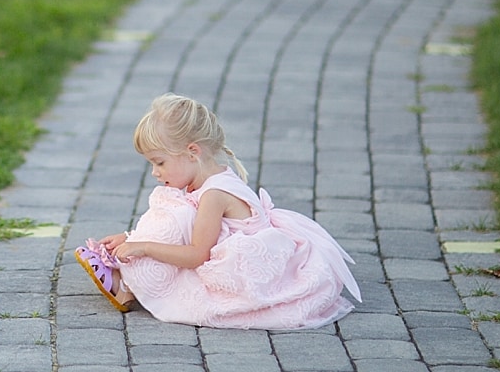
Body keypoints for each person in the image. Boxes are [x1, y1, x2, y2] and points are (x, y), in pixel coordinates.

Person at [75, 93, 360, 329]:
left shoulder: (214, 194)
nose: (154, 172)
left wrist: (144, 247)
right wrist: (129, 238)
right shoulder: (203, 181)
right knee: (172, 211)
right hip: (215, 251)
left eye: (159, 162)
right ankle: (129, 278)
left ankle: (126, 285)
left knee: (168, 235)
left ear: (192, 152)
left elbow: (196, 254)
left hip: (243, 271)